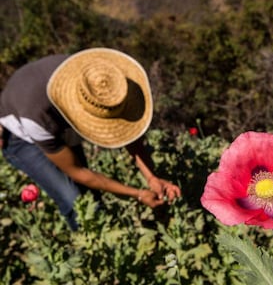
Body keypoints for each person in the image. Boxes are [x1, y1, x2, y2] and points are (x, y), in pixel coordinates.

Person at [0, 48, 181, 231]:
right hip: (20, 137)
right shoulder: (38, 118)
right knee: (74, 200)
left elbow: (129, 136)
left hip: (45, 110)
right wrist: (138, 194)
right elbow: (78, 172)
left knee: (92, 197)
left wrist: (151, 177)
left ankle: (107, 233)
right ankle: (90, 248)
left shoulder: (98, 79)